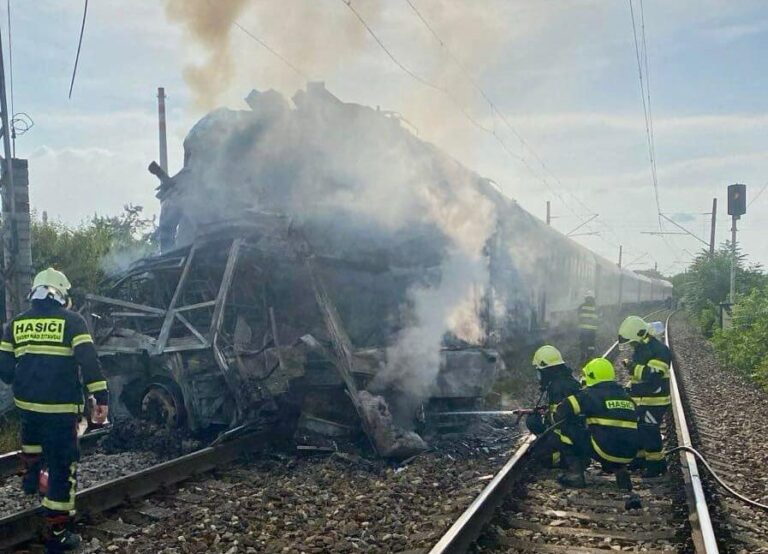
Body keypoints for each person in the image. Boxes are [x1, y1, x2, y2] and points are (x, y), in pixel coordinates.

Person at [0, 268, 109, 552]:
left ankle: (31, 481)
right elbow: (89, 362)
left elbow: (5, 371)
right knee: (62, 467)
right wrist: (102, 396)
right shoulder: (73, 322)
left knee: (32, 445)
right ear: (61, 293)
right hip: (60, 410)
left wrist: (24, 376)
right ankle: (58, 534)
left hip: (27, 406)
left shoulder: (15, 324)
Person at [554, 357, 640, 506]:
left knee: (568, 429)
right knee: (614, 433)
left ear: (592, 376)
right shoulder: (627, 397)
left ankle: (575, 474)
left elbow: (563, 410)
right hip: (629, 454)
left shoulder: (590, 395)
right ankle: (621, 471)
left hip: (605, 450)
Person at [618, 315, 671, 477]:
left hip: (656, 400)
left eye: (633, 341)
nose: (632, 345)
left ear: (640, 335)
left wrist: (633, 368)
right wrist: (628, 388)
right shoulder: (641, 349)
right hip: (641, 399)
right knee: (638, 429)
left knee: (649, 430)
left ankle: (656, 465)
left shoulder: (660, 350)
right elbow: (638, 379)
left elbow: (652, 374)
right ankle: (640, 460)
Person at [525, 345, 584, 469]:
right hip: (577, 438)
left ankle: (565, 461)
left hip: (569, 440)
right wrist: (544, 410)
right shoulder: (566, 382)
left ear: (546, 370)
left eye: (539, 370)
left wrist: (539, 420)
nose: (538, 374)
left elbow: (560, 419)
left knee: (538, 455)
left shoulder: (558, 387)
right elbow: (562, 409)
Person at [577, 291, 598, 363]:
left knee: (582, 342)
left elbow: (578, 316)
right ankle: (589, 357)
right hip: (592, 330)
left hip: (583, 329)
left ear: (585, 298)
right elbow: (599, 318)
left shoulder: (581, 306)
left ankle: (582, 356)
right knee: (591, 344)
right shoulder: (596, 307)